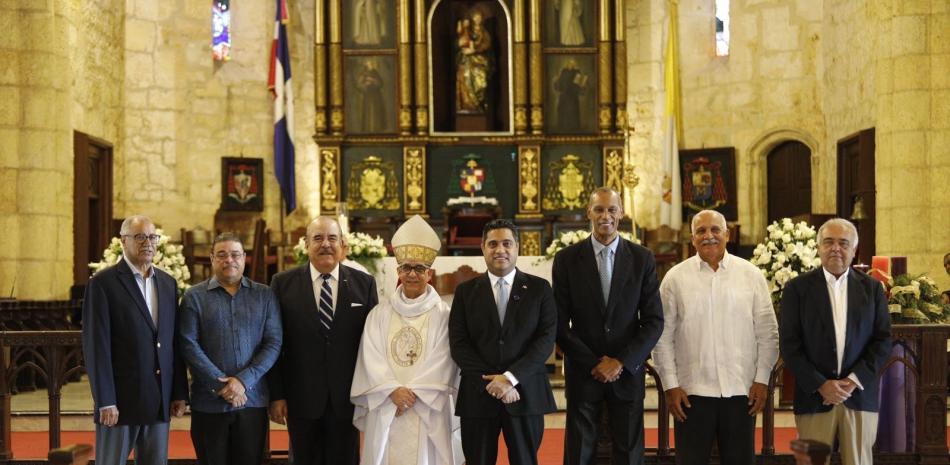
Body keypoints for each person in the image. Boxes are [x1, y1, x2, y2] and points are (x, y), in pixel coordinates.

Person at [652, 210, 778, 465]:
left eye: (715, 230)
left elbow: (768, 332)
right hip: (691, 393)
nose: (708, 236)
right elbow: (662, 336)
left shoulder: (751, 275)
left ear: (727, 234)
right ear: (692, 239)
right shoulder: (675, 278)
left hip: (741, 391)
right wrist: (670, 384)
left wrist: (762, 380)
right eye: (701, 231)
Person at [553, 187, 664, 465]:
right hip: (583, 371)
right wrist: (593, 362)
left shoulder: (642, 258)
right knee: (579, 453)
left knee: (629, 453)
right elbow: (558, 322)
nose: (606, 216)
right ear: (588, 212)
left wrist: (621, 362)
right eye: (599, 209)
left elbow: (653, 321)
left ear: (621, 213)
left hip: (626, 373)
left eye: (612, 209)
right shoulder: (567, 259)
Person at [267, 217, 379, 465]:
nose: (325, 244)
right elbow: (274, 343)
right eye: (317, 238)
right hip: (301, 397)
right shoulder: (282, 284)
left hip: (348, 397)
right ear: (306, 244)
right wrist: (277, 395)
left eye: (331, 238)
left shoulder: (365, 284)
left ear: (343, 244)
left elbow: (374, 344)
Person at [351, 215, 462, 465]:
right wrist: (392, 391)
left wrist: (413, 395)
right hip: (387, 403)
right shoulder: (379, 313)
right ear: (398, 271)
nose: (412, 274)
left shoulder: (443, 314)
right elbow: (370, 356)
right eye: (406, 268)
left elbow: (445, 359)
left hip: (427, 407)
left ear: (430, 274)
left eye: (419, 268)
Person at [780, 218, 891, 465]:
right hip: (814, 397)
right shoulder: (797, 289)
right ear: (819, 247)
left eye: (843, 243)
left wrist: (853, 380)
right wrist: (821, 384)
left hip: (859, 395)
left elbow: (882, 341)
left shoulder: (872, 289)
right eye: (829, 242)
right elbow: (790, 345)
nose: (836, 248)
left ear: (854, 250)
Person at [81, 215, 188, 465]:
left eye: (152, 237)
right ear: (123, 241)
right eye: (140, 237)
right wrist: (105, 400)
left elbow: (173, 343)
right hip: (119, 402)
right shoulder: (103, 284)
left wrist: (178, 392)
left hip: (158, 399)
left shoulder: (168, 283)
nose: (148, 243)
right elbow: (97, 347)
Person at [449, 219, 556, 465]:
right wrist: (492, 381)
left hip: (525, 392)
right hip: (478, 393)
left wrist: (509, 379)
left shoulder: (540, 289)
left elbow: (545, 340)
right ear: (482, 248)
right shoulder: (466, 292)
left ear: (517, 247)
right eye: (493, 244)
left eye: (507, 243)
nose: (500, 250)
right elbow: (459, 343)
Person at [178, 233, 283, 465]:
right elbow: (188, 344)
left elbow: (273, 342)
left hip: (252, 401)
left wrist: (243, 381)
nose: (229, 260)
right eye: (222, 255)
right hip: (209, 402)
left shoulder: (264, 295)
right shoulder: (194, 297)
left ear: (244, 258)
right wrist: (221, 385)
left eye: (235, 254)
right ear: (212, 258)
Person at [455, 9, 492, 113]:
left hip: (479, 62)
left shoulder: (484, 33)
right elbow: (461, 42)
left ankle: (478, 105)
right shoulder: (468, 30)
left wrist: (474, 50)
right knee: (465, 79)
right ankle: (467, 106)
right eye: (475, 17)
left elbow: (486, 45)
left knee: (480, 83)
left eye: (479, 17)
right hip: (467, 61)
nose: (477, 19)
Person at [553, 59, 585, 132]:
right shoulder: (563, 72)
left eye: (572, 64)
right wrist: (556, 81)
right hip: (564, 97)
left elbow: (577, 84)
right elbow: (559, 86)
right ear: (567, 64)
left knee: (572, 112)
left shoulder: (577, 73)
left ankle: (573, 127)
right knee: (563, 112)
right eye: (570, 63)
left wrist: (581, 86)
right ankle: (563, 127)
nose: (571, 65)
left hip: (572, 97)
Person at [355, 59, 386, 133]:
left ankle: (377, 128)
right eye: (369, 63)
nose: (371, 65)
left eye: (371, 63)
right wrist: (365, 85)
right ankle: (367, 128)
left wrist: (373, 81)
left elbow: (380, 83)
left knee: (376, 112)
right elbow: (358, 85)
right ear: (366, 64)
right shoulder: (363, 73)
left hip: (376, 95)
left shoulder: (375, 72)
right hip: (367, 95)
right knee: (368, 112)